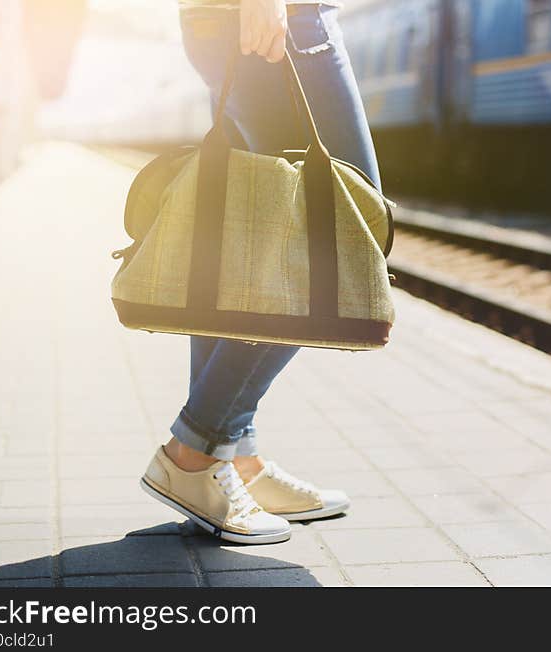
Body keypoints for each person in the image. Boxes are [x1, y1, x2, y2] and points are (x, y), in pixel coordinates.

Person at [140, 0, 381, 544]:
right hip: (279, 19)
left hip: (247, 19)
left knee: (247, 241)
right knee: (344, 226)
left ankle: (234, 456)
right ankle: (195, 453)